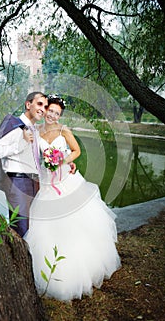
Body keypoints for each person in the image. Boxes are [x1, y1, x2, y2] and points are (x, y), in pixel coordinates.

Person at [23, 94, 121, 301]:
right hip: (48, 182)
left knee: (73, 221)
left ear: (60, 115)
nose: (52, 115)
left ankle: (78, 268)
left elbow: (76, 151)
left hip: (66, 178)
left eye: (57, 113)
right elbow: (31, 153)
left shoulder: (63, 130)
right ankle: (48, 270)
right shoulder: (36, 130)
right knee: (47, 221)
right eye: (50, 111)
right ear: (46, 110)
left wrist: (63, 161)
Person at [0, 91, 48, 237]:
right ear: (28, 104)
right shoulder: (15, 125)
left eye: (46, 107)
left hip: (34, 182)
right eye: (39, 104)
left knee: (32, 228)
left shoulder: (35, 131)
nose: (43, 109)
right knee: (20, 229)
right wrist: (20, 143)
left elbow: (47, 152)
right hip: (18, 182)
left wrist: (66, 163)